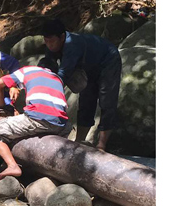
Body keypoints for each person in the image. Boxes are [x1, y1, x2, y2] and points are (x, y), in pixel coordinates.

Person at [41, 18, 122, 151]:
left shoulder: (72, 45)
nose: (49, 45)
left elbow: (63, 74)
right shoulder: (52, 45)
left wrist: (47, 96)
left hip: (108, 60)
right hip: (87, 67)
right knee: (85, 101)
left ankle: (101, 145)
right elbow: (48, 66)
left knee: (107, 101)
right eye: (46, 41)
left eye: (52, 41)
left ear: (62, 37)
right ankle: (79, 141)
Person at [0, 58, 69, 182]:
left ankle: (12, 166)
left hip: (38, 117)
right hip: (61, 123)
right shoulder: (57, 78)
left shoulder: (28, 70)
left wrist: (4, 107)